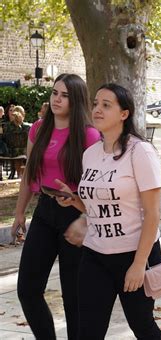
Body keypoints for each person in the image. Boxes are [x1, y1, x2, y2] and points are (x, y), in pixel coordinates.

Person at [57, 83, 161, 339]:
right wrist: (75, 201)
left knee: (142, 325)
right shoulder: (90, 154)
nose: (97, 109)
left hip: (134, 254)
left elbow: (152, 214)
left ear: (124, 114)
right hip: (95, 253)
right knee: (89, 330)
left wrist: (139, 265)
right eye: (95, 104)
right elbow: (99, 206)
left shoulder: (141, 151)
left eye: (106, 105)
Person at [12, 74, 101, 339]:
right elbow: (30, 172)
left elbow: (98, 182)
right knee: (27, 289)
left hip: (74, 213)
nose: (57, 99)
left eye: (64, 95)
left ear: (76, 101)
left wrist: (84, 215)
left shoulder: (89, 134)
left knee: (73, 295)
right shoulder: (38, 128)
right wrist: (19, 213)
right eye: (54, 93)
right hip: (44, 212)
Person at [3, 106, 30, 178]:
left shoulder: (5, 126)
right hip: (25, 153)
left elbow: (4, 139)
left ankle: (15, 173)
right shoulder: (29, 127)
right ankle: (20, 175)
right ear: (23, 114)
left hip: (9, 153)